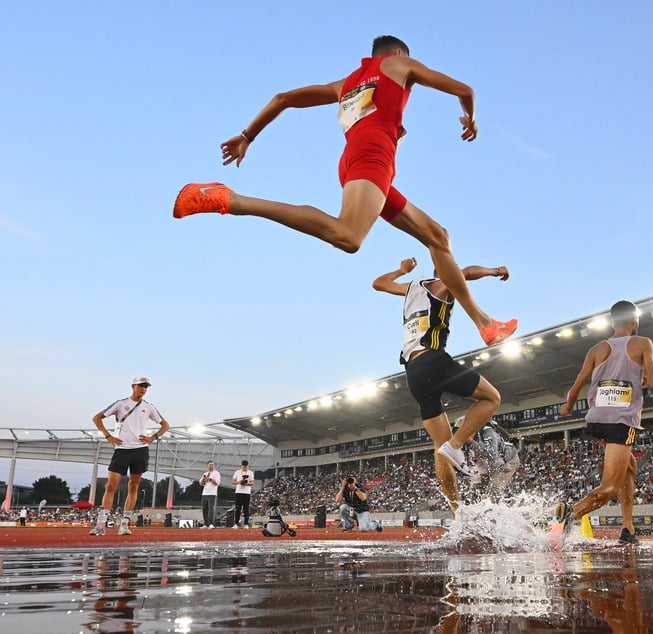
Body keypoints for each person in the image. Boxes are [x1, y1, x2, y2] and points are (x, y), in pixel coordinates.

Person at [173, 34, 516, 347]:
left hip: (359, 159)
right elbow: (465, 90)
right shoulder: (399, 63)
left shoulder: (346, 84)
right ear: (397, 53)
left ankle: (484, 323)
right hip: (373, 159)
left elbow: (284, 98)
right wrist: (470, 119)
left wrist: (247, 135)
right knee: (348, 236)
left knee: (438, 236)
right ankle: (231, 200)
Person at [372, 257, 507, 514]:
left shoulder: (412, 287)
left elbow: (378, 284)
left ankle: (457, 512)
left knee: (439, 447)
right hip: (433, 359)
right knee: (492, 398)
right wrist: (494, 270)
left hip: (412, 371)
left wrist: (401, 270)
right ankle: (456, 446)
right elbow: (466, 272)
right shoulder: (442, 283)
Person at [557, 300, 653, 545]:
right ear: (634, 321)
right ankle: (570, 515)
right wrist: (648, 366)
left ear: (612, 321)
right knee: (610, 489)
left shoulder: (596, 349)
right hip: (621, 422)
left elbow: (577, 385)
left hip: (595, 421)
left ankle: (628, 529)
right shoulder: (643, 343)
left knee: (629, 469)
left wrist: (567, 406)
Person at [89, 377, 170, 536]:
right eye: (141, 386)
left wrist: (153, 437)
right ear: (133, 386)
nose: (143, 389)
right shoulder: (121, 404)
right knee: (111, 485)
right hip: (122, 448)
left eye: (146, 387)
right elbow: (97, 418)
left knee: (133, 486)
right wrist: (108, 436)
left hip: (140, 449)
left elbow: (165, 425)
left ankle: (124, 524)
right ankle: (100, 525)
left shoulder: (149, 407)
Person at [455, 417, 520, 500]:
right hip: (489, 466)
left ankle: (500, 509)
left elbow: (491, 454)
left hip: (507, 461)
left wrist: (471, 442)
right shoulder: (465, 443)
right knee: (477, 491)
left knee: (494, 488)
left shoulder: (487, 432)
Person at [231, 460, 254, 529]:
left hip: (247, 492)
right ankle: (236, 523)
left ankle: (246, 524)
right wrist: (239, 482)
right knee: (238, 508)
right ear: (241, 466)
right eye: (244, 467)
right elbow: (232, 481)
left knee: (246, 508)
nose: (245, 468)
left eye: (246, 467)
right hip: (238, 492)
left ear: (247, 466)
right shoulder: (237, 472)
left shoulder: (250, 472)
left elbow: (252, 483)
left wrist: (246, 483)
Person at [199, 461, 221, 529]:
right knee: (204, 508)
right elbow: (200, 483)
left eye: (212, 465)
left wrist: (210, 479)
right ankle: (206, 523)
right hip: (205, 493)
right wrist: (203, 479)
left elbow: (217, 483)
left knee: (210, 508)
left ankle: (211, 523)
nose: (211, 466)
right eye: (210, 465)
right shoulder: (205, 473)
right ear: (207, 466)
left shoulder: (216, 473)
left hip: (212, 493)